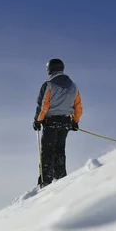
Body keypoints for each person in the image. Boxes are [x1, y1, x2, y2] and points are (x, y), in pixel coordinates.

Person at [33, 58, 82, 188]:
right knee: (60, 150)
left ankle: (46, 181)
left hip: (51, 122)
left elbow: (43, 105)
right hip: (65, 122)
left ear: (50, 69)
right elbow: (78, 106)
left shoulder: (48, 84)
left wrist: (38, 121)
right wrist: (75, 121)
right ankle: (60, 178)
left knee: (47, 151)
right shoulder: (73, 86)